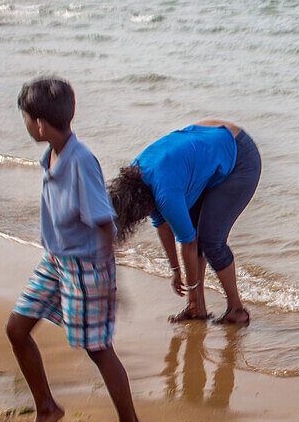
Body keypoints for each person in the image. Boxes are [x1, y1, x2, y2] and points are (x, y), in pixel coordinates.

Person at [7, 78, 147, 422]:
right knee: (17, 328)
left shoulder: (80, 160)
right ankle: (47, 413)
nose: (25, 124)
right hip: (55, 260)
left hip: (86, 265)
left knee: (98, 349)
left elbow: (104, 221)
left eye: (24, 117)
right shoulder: (53, 154)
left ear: (38, 123)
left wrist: (106, 281)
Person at [108, 121, 261, 325]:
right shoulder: (137, 179)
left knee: (211, 242)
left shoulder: (165, 194)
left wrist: (190, 289)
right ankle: (197, 309)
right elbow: (163, 227)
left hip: (239, 156)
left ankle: (237, 310)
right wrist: (175, 271)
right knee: (196, 230)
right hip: (206, 148)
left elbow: (188, 242)